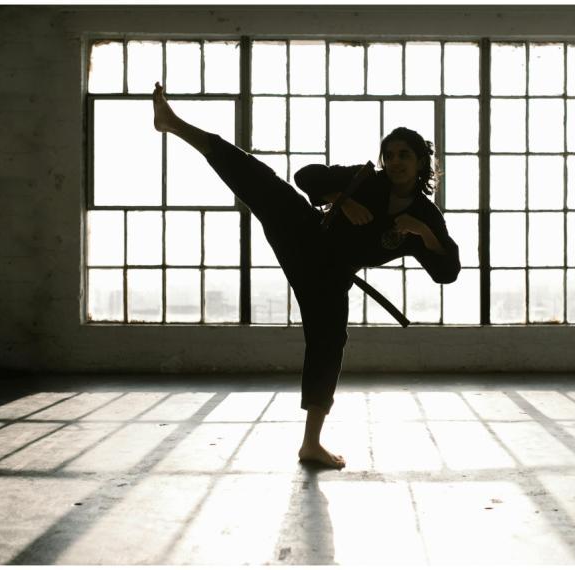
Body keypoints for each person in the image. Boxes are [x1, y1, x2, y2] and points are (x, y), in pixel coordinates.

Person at [152, 82, 460, 469]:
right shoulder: (366, 180)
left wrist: (423, 232)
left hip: (330, 276)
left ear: (420, 164)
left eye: (405, 155)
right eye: (390, 154)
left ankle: (310, 444)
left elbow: (447, 271)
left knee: (329, 342)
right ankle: (174, 123)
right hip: (307, 235)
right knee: (257, 176)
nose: (395, 161)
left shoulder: (426, 217)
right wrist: (341, 200)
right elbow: (306, 175)